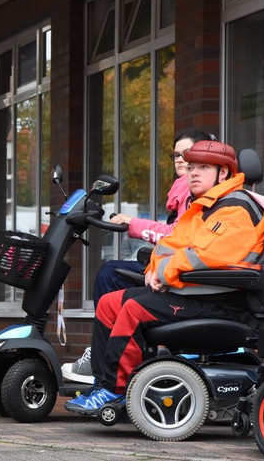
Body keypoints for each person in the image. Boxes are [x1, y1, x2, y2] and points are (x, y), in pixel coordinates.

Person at [65, 140, 264, 415]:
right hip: (195, 292)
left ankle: (115, 391)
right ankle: (102, 385)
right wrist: (153, 269)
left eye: (204, 167)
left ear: (224, 174)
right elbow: (170, 245)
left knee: (133, 310)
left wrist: (163, 272)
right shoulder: (205, 207)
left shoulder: (236, 208)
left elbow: (205, 256)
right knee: (109, 304)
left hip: (225, 300)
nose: (193, 173)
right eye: (191, 167)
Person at [62, 129, 214, 384]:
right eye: (175, 155)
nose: (179, 160)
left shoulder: (199, 196)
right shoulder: (184, 192)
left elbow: (177, 238)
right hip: (173, 270)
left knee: (110, 275)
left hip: (187, 280)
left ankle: (107, 362)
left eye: (186, 155)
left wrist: (134, 224)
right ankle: (106, 360)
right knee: (111, 278)